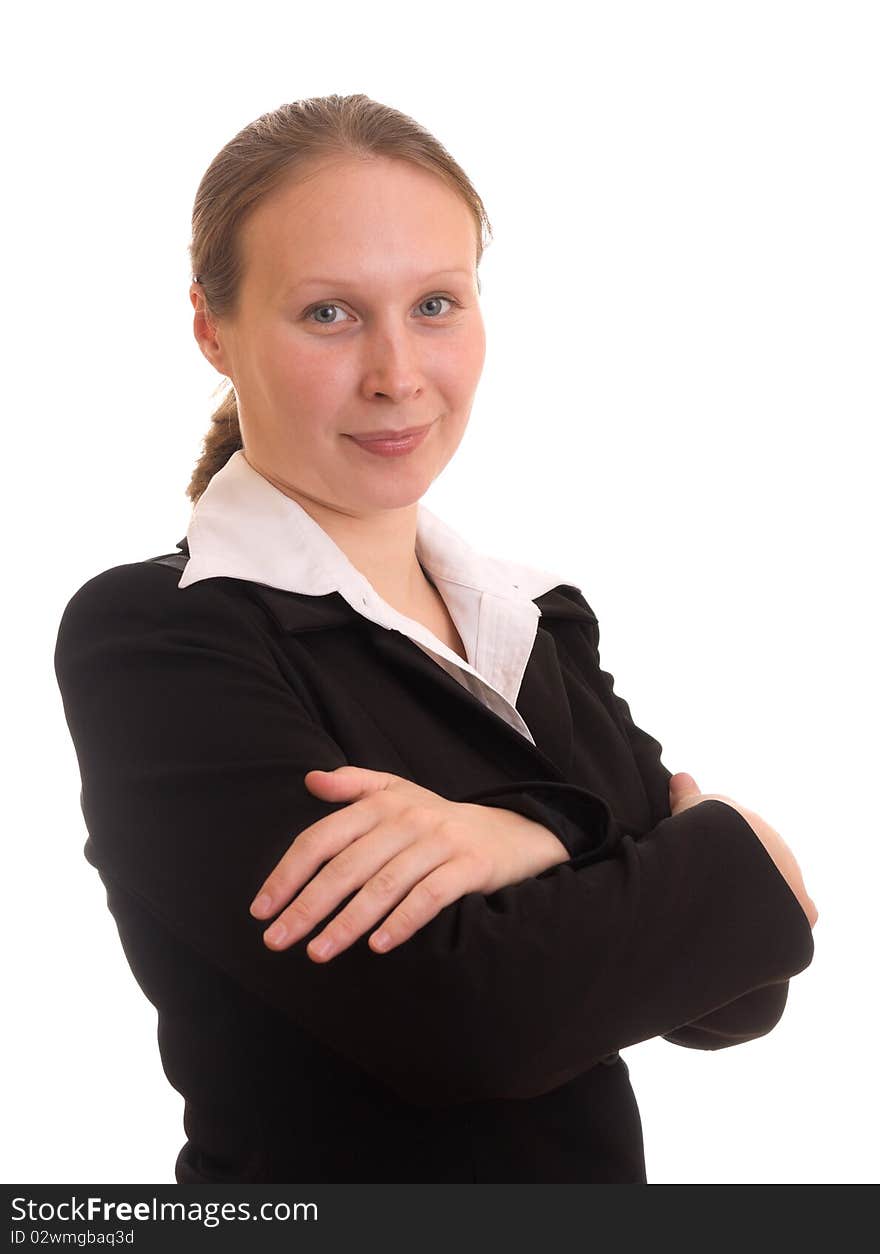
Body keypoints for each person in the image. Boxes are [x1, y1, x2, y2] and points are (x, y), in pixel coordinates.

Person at [53, 92, 817, 1185]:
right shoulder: (156, 639)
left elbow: (740, 997)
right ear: (210, 329)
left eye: (436, 304)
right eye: (329, 313)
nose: (398, 375)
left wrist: (523, 842)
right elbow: (469, 1028)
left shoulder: (534, 616)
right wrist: (681, 844)